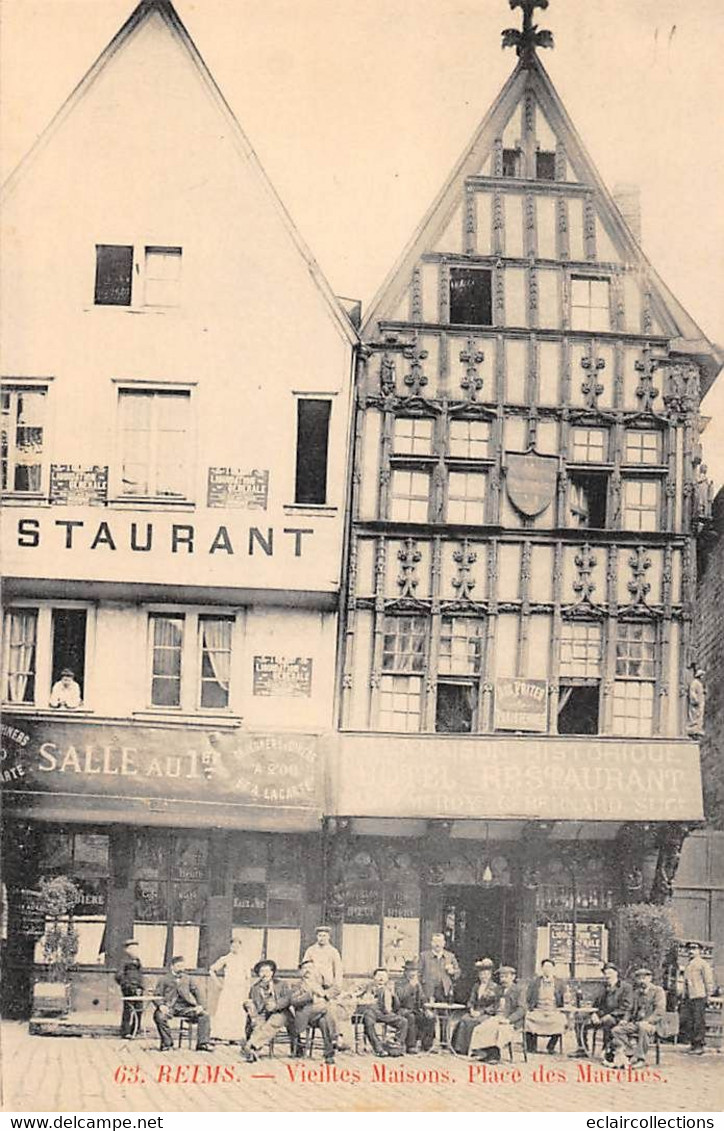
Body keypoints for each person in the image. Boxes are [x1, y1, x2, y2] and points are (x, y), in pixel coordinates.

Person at [302, 925, 349, 1050]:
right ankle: (337, 1037)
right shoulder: (310, 951)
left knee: (331, 1007)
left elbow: (338, 973)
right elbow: (305, 972)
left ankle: (334, 1039)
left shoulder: (333, 952)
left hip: (330, 988)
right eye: (319, 935)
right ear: (316, 936)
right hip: (315, 988)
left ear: (329, 937)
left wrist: (332, 991)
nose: (322, 938)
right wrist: (318, 991)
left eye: (324, 935)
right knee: (329, 1008)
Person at [240, 959, 296, 1062]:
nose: (264, 974)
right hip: (263, 1013)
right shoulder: (255, 988)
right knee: (258, 1025)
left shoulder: (281, 984)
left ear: (272, 972)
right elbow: (251, 1002)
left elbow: (288, 999)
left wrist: (275, 1005)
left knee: (272, 1022)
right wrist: (249, 1007)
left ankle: (250, 1045)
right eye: (261, 972)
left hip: (281, 1013)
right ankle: (253, 1053)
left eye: (267, 971)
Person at [154, 955, 212, 1052]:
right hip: (169, 1007)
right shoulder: (164, 979)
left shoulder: (188, 978)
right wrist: (161, 1005)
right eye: (178, 966)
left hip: (185, 1007)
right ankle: (167, 1044)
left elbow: (198, 992)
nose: (181, 969)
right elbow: (156, 994)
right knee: (159, 1017)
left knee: (204, 1015)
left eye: (182, 966)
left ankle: (203, 1043)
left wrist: (201, 1006)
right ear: (172, 966)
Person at [611, 968, 666, 1068]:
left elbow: (659, 1011)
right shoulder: (636, 993)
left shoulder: (658, 991)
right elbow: (629, 1009)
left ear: (650, 978)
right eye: (639, 979)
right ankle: (630, 1052)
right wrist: (625, 1020)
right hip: (637, 1023)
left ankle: (641, 1058)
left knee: (643, 1027)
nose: (641, 981)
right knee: (616, 1030)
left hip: (653, 1024)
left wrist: (648, 1021)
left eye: (644, 978)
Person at [290, 958, 339, 1065]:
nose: (308, 971)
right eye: (305, 968)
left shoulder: (321, 984)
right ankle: (335, 1037)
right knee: (328, 1008)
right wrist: (310, 995)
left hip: (319, 1015)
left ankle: (329, 1054)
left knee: (324, 1021)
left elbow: (336, 990)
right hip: (305, 1015)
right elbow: (293, 1001)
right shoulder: (296, 985)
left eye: (311, 968)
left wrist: (327, 994)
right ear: (301, 972)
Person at [451, 958, 501, 1059]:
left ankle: (477, 1049)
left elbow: (495, 1005)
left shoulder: (495, 987)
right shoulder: (476, 986)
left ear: (490, 975)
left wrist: (481, 1012)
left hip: (487, 1013)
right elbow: (471, 1000)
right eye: (481, 974)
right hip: (475, 1010)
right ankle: (462, 1048)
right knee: (464, 1019)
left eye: (486, 974)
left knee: (477, 1023)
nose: (484, 977)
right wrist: (471, 1010)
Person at [587, 963, 634, 1062]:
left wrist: (611, 1015)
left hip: (620, 1017)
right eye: (606, 973)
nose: (608, 975)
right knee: (580, 1018)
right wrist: (594, 1014)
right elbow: (596, 1004)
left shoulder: (626, 987)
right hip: (603, 1016)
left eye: (610, 973)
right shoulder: (603, 987)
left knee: (608, 1020)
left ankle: (608, 1048)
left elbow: (627, 1006)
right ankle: (581, 1048)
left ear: (616, 973)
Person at [358, 967, 408, 1056]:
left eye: (384, 976)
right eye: (379, 976)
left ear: (387, 979)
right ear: (374, 977)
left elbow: (397, 1006)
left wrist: (393, 995)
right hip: (372, 1012)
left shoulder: (389, 988)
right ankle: (378, 1048)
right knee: (368, 1021)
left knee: (403, 1021)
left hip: (385, 1013)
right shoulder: (368, 987)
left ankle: (395, 1046)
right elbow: (356, 996)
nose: (381, 979)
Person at [209, 936, 250, 1042]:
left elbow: (248, 978)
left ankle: (236, 1037)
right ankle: (222, 1036)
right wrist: (218, 983)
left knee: (238, 1012)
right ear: (230, 946)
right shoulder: (225, 958)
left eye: (238, 945)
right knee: (225, 1011)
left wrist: (247, 991)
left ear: (241, 946)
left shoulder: (245, 960)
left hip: (240, 990)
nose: (235, 947)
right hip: (228, 989)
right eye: (233, 945)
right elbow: (212, 970)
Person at [525, 957, 567, 1053]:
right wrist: (530, 1008)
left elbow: (565, 998)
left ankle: (551, 1046)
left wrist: (559, 1007)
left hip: (553, 1010)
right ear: (542, 969)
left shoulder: (559, 983)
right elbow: (528, 997)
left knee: (560, 1021)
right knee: (528, 1019)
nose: (547, 969)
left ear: (553, 969)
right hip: (538, 1010)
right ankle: (531, 1046)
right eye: (545, 967)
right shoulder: (535, 982)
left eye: (549, 967)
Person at [395, 959, 436, 1053]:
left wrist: (427, 1009)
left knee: (431, 1017)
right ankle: (411, 1045)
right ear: (405, 972)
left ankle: (427, 1045)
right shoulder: (399, 983)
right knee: (411, 1017)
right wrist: (410, 985)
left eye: (414, 971)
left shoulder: (417, 983)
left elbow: (422, 998)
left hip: (415, 1010)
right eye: (410, 971)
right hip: (402, 1010)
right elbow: (400, 996)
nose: (412, 973)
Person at [682, 943, 714, 1055]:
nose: (691, 951)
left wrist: (708, 995)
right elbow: (686, 983)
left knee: (698, 1021)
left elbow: (708, 980)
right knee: (690, 1021)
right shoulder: (689, 965)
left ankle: (699, 1046)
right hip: (689, 997)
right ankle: (693, 1045)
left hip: (699, 996)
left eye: (694, 948)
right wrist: (684, 996)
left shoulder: (703, 964)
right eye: (689, 949)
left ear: (700, 950)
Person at [115, 938, 144, 1039]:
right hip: (129, 988)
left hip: (139, 988)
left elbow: (140, 975)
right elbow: (118, 976)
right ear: (127, 950)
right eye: (133, 949)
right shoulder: (124, 960)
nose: (136, 951)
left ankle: (136, 1029)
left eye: (137, 949)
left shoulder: (137, 960)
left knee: (139, 1008)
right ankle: (126, 1031)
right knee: (129, 1009)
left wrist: (141, 987)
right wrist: (127, 985)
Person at [419, 933, 461, 1003]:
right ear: (431, 943)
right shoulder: (424, 956)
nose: (437, 944)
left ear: (444, 943)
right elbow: (418, 973)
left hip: (445, 991)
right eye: (435, 942)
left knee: (444, 1011)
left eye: (440, 942)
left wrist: (453, 971)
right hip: (428, 989)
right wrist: (421, 988)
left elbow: (458, 972)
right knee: (429, 1010)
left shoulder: (450, 956)